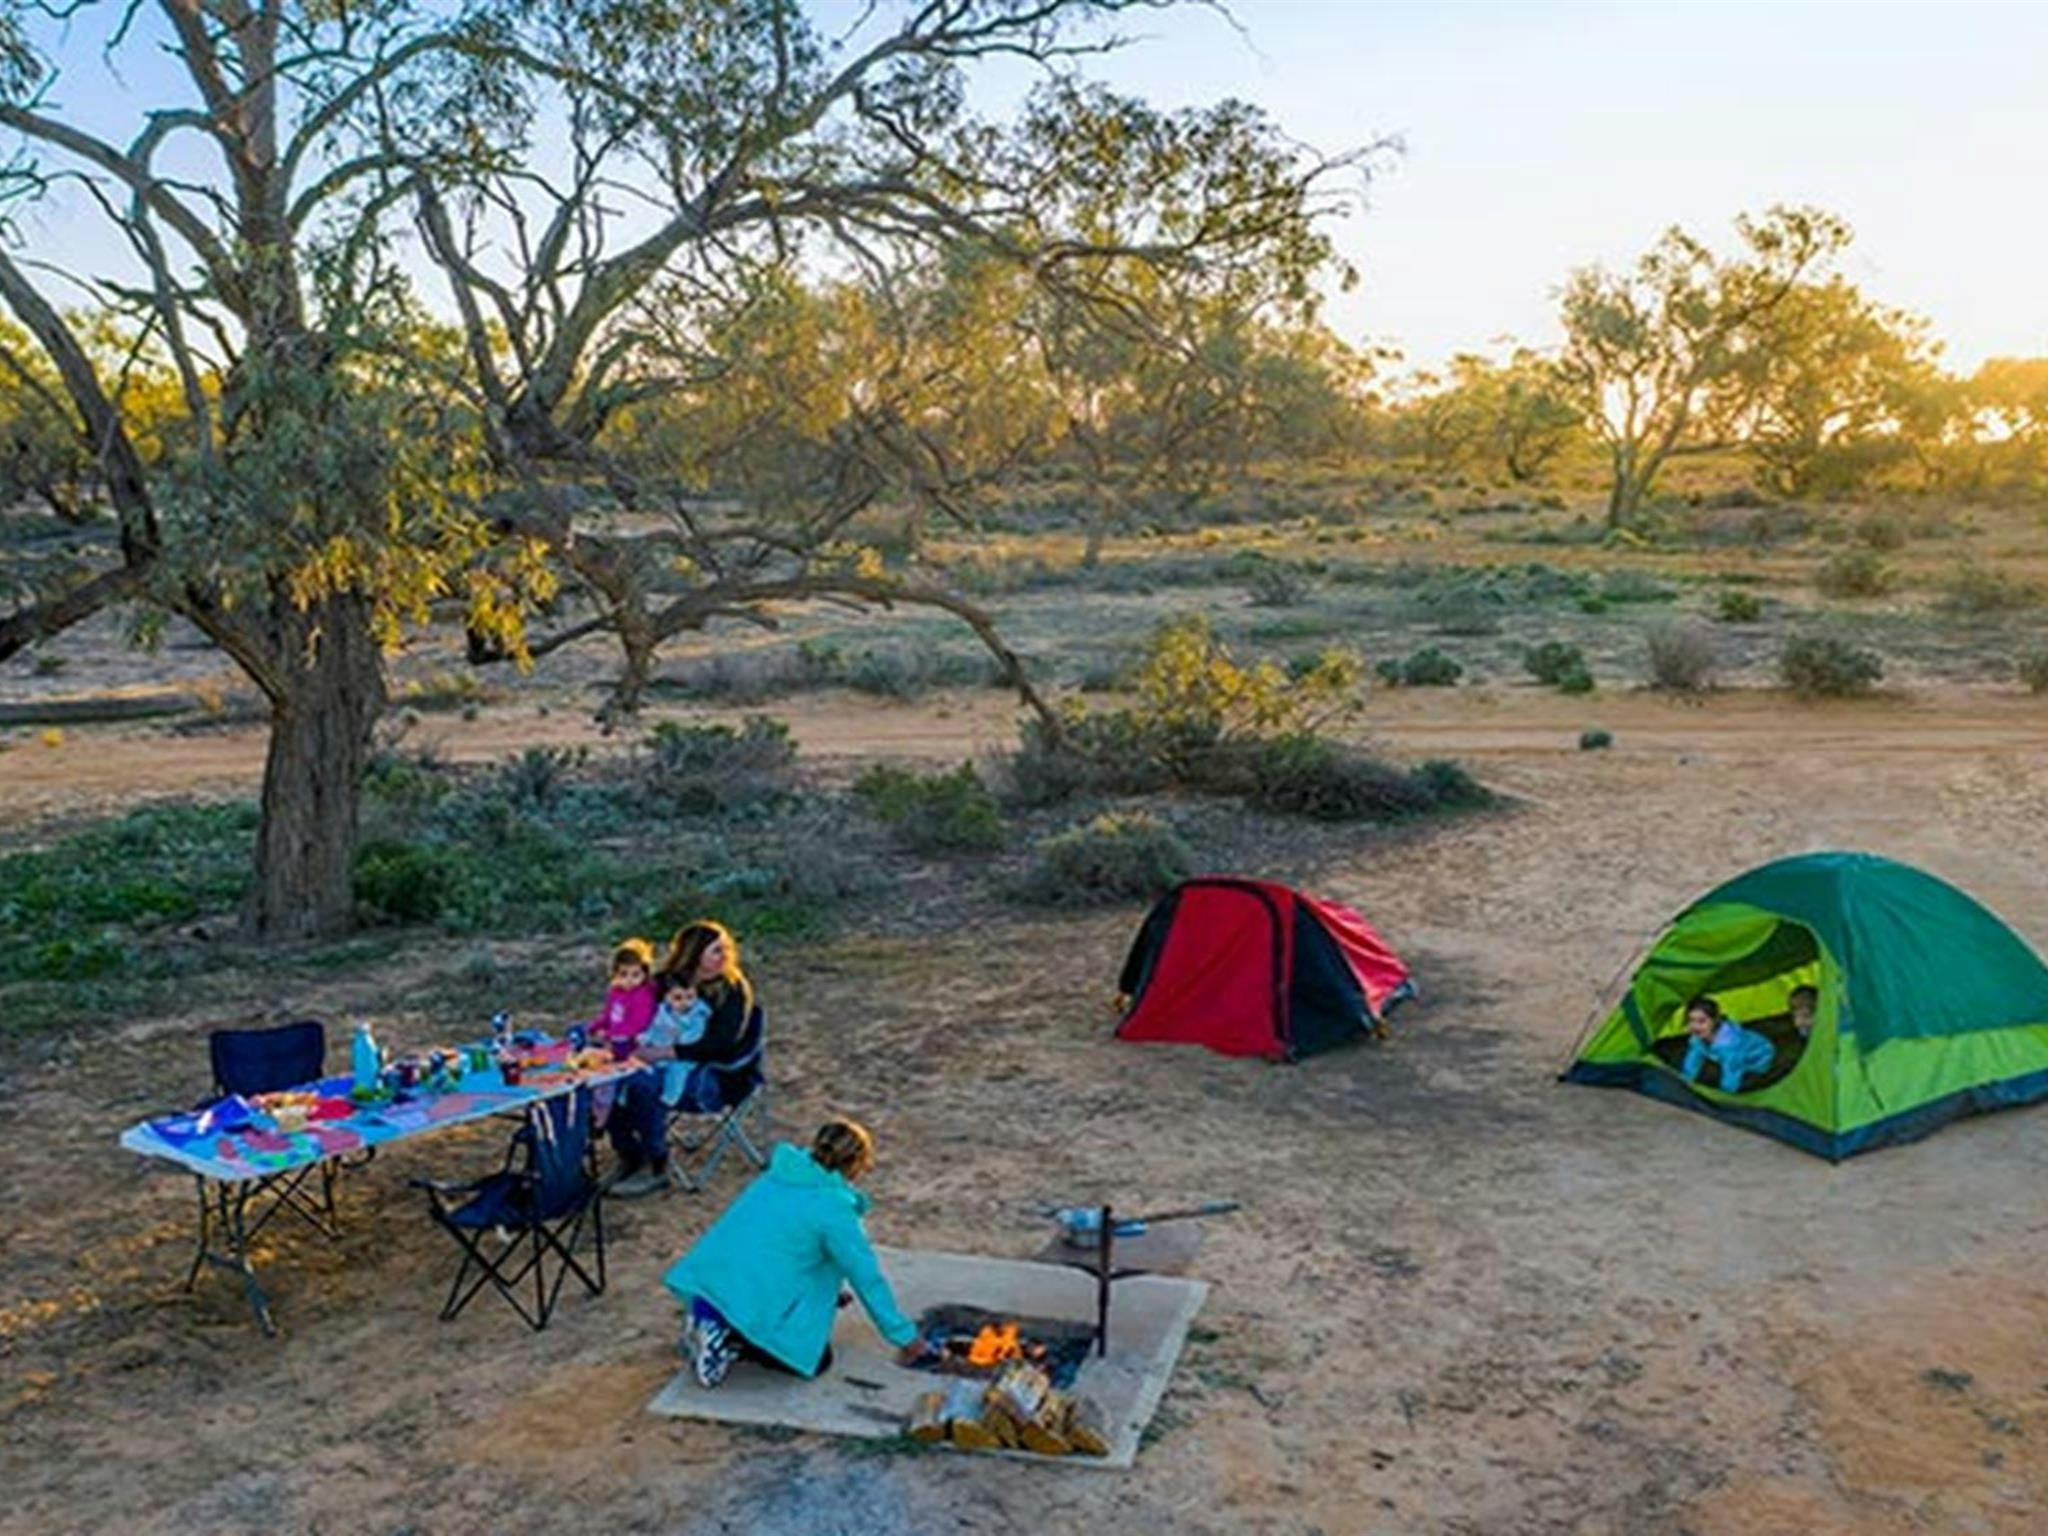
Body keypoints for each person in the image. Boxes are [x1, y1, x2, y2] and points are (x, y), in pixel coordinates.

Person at [664, 1119, 933, 1387]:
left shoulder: (777, 1176)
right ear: (855, 1165)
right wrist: (905, 1337)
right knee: (815, 1360)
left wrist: (827, 1293)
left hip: (713, 1278)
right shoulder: (834, 1208)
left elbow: (780, 1246)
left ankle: (709, 1316)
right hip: (753, 1290)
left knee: (777, 1274)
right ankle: (730, 1340)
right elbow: (865, 1276)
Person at [605, 920, 757, 1198]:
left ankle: (656, 1166)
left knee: (643, 1085)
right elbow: (635, 1011)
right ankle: (629, 1154)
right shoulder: (667, 982)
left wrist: (666, 1052)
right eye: (715, 951)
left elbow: (721, 1044)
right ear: (694, 953)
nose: (724, 955)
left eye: (725, 949)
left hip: (715, 1077)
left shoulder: (732, 989)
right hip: (661, 1060)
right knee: (610, 1079)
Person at [1679, 995, 1775, 1095]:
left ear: (1715, 1020)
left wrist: (1723, 1096)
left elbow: (1732, 1073)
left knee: (1739, 1072)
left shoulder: (1730, 1045)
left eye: (1702, 1021)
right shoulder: (1698, 1037)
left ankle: (1756, 1073)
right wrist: (1685, 1081)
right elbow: (1693, 1059)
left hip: (1759, 1055)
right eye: (1691, 1020)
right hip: (1725, 1052)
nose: (1695, 1027)